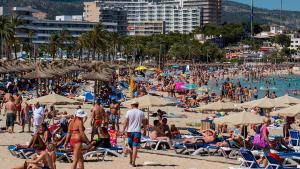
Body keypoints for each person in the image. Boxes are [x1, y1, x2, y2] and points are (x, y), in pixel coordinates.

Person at [122, 101, 146, 167]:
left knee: (130, 147)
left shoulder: (129, 112)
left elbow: (125, 122)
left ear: (132, 105)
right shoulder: (141, 112)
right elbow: (144, 123)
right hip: (137, 132)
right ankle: (133, 162)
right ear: (137, 105)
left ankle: (130, 160)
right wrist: (144, 129)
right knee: (135, 147)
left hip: (129, 131)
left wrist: (123, 130)